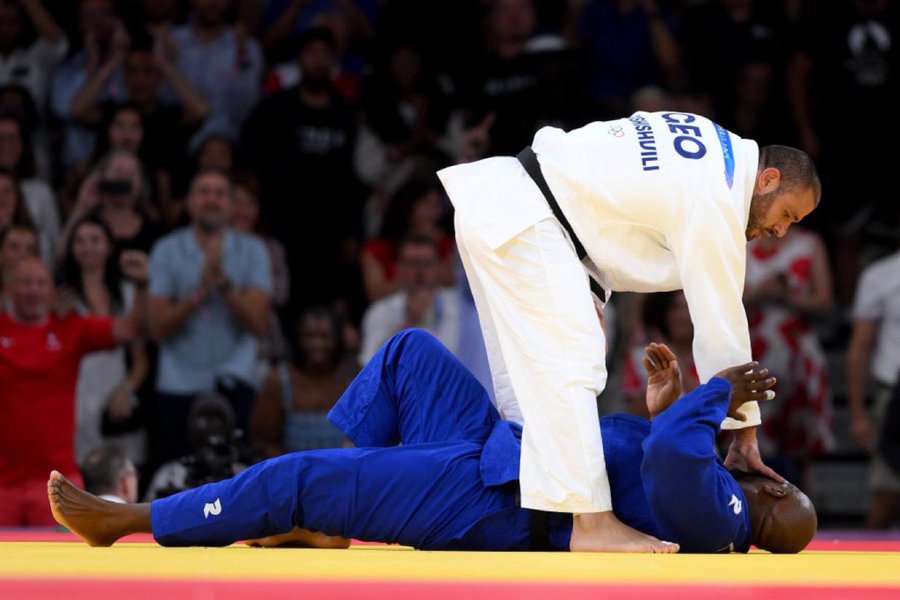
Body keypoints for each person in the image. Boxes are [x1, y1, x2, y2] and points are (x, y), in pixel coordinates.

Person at [48, 329, 816, 554]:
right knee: (409, 354)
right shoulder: (714, 506)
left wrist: (717, 397)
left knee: (298, 474)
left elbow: (671, 460)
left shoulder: (723, 517)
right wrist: (670, 404)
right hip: (507, 449)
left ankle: (133, 522)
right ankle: (345, 513)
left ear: (773, 492)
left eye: (774, 475)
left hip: (500, 500)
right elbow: (656, 460)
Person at [437, 110, 820, 552]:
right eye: (787, 214)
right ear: (768, 179)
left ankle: (530, 511)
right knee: (571, 366)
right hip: (532, 222)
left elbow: (617, 196)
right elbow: (721, 318)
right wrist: (743, 433)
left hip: (508, 206)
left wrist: (589, 291)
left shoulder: (711, 141)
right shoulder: (721, 191)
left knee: (527, 385)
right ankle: (592, 522)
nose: (779, 231)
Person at [0, 253, 148, 526]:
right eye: (25, 282)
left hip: (56, 484)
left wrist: (140, 285)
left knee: (54, 568)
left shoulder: (71, 328)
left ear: (52, 291)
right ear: (8, 288)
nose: (33, 289)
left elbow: (131, 329)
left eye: (40, 283)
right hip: (3, 483)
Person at [148, 168, 272, 465]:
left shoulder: (253, 250)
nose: (211, 200)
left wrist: (225, 285)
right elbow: (157, 327)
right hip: (179, 383)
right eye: (203, 192)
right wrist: (199, 292)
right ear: (189, 202)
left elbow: (259, 323)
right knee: (179, 479)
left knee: (233, 479)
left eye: (220, 193)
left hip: (235, 380)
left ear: (231, 204)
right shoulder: (166, 250)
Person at [252, 306, 356, 457]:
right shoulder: (278, 381)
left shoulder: (356, 376)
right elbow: (262, 440)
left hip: (348, 473)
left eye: (324, 336)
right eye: (309, 336)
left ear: (338, 338)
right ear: (297, 339)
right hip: (293, 475)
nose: (317, 344)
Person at [846, 245, 900, 528]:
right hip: (893, 396)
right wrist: (857, 414)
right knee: (888, 491)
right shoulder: (881, 276)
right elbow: (860, 347)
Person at [358, 233, 461, 366]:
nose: (420, 271)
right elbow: (368, 368)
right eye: (413, 263)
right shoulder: (380, 311)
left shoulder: (460, 307)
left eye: (427, 263)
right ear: (399, 267)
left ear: (438, 266)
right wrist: (410, 321)